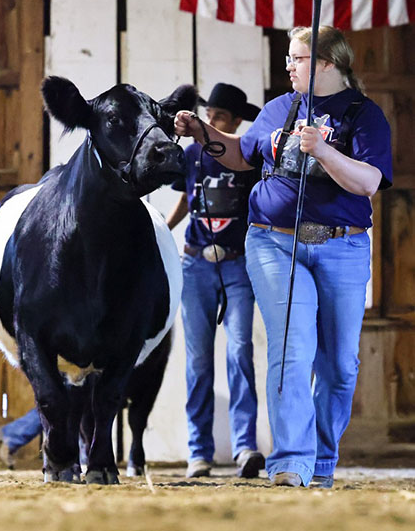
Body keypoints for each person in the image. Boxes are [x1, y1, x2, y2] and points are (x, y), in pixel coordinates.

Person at [173, 27, 392, 488]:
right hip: (274, 241)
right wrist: (201, 132)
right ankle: (290, 462)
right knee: (291, 350)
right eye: (290, 58)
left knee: (339, 366)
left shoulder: (364, 116)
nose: (288, 67)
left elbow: (369, 182)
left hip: (343, 245)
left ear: (327, 64)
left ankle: (322, 461)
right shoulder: (279, 109)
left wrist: (325, 150)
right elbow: (239, 155)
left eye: (297, 59)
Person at [167, 82, 265, 479]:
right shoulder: (191, 156)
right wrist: (164, 227)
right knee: (198, 360)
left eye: (219, 118)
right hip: (197, 265)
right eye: (209, 116)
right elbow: (186, 199)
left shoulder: (247, 157)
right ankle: (199, 452)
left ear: (236, 122)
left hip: (238, 265)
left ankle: (244, 447)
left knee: (240, 351)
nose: (210, 122)